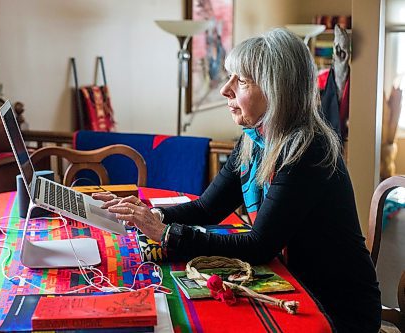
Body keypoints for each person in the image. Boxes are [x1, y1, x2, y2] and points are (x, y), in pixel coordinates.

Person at [93, 28, 381, 332]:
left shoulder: (306, 150)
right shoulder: (254, 140)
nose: (225, 90)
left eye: (241, 81)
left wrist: (168, 235)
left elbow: (258, 246)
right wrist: (148, 215)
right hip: (291, 281)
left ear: (276, 90)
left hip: (335, 306)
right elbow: (207, 208)